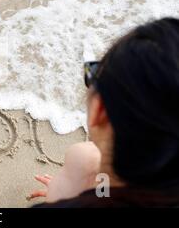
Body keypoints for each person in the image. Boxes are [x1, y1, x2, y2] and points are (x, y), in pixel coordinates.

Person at [29, 17, 179, 207]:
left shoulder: (82, 161)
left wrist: (60, 197)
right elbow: (105, 192)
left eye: (95, 72)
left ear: (100, 111)